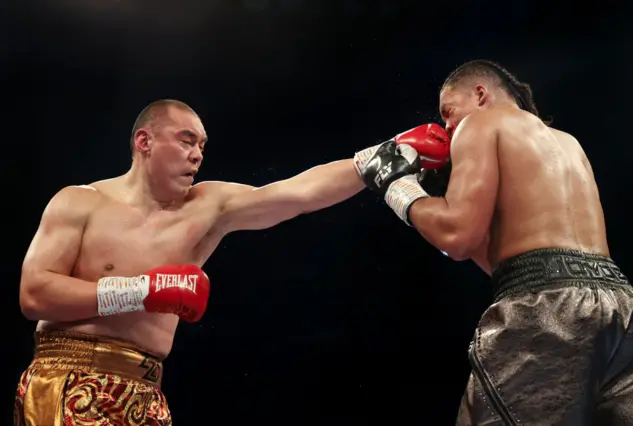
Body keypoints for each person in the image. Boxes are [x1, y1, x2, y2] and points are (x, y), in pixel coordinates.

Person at [15, 99, 449, 425]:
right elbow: (35, 294)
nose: (197, 154)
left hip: (146, 390)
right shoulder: (79, 202)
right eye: (186, 140)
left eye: (202, 145)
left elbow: (292, 195)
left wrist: (376, 158)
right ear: (144, 142)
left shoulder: (207, 206)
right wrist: (142, 290)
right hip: (68, 377)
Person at [359, 60, 633, 425]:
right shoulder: (567, 143)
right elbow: (512, 264)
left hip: (547, 312)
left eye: (449, 112)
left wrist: (397, 187)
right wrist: (437, 196)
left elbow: (457, 237)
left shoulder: (479, 123)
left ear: (480, 94)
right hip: (624, 308)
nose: (446, 127)